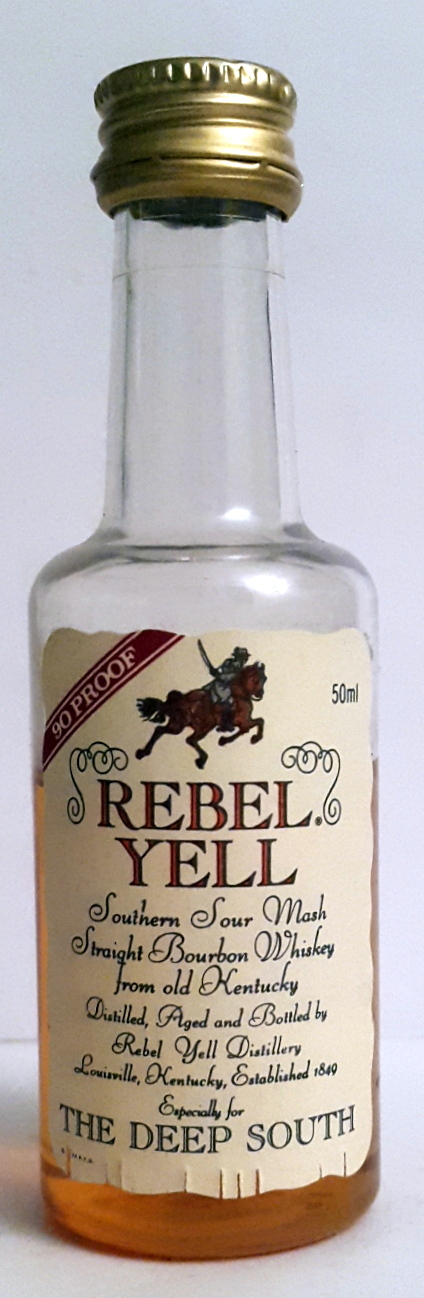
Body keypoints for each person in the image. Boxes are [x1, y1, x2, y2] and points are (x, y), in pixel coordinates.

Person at [197, 640, 250, 730]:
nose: (244, 659)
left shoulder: (241, 667)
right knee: (228, 701)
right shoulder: (229, 663)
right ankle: (224, 724)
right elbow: (223, 671)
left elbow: (235, 677)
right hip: (222, 685)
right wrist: (216, 671)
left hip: (229, 684)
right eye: (242, 657)